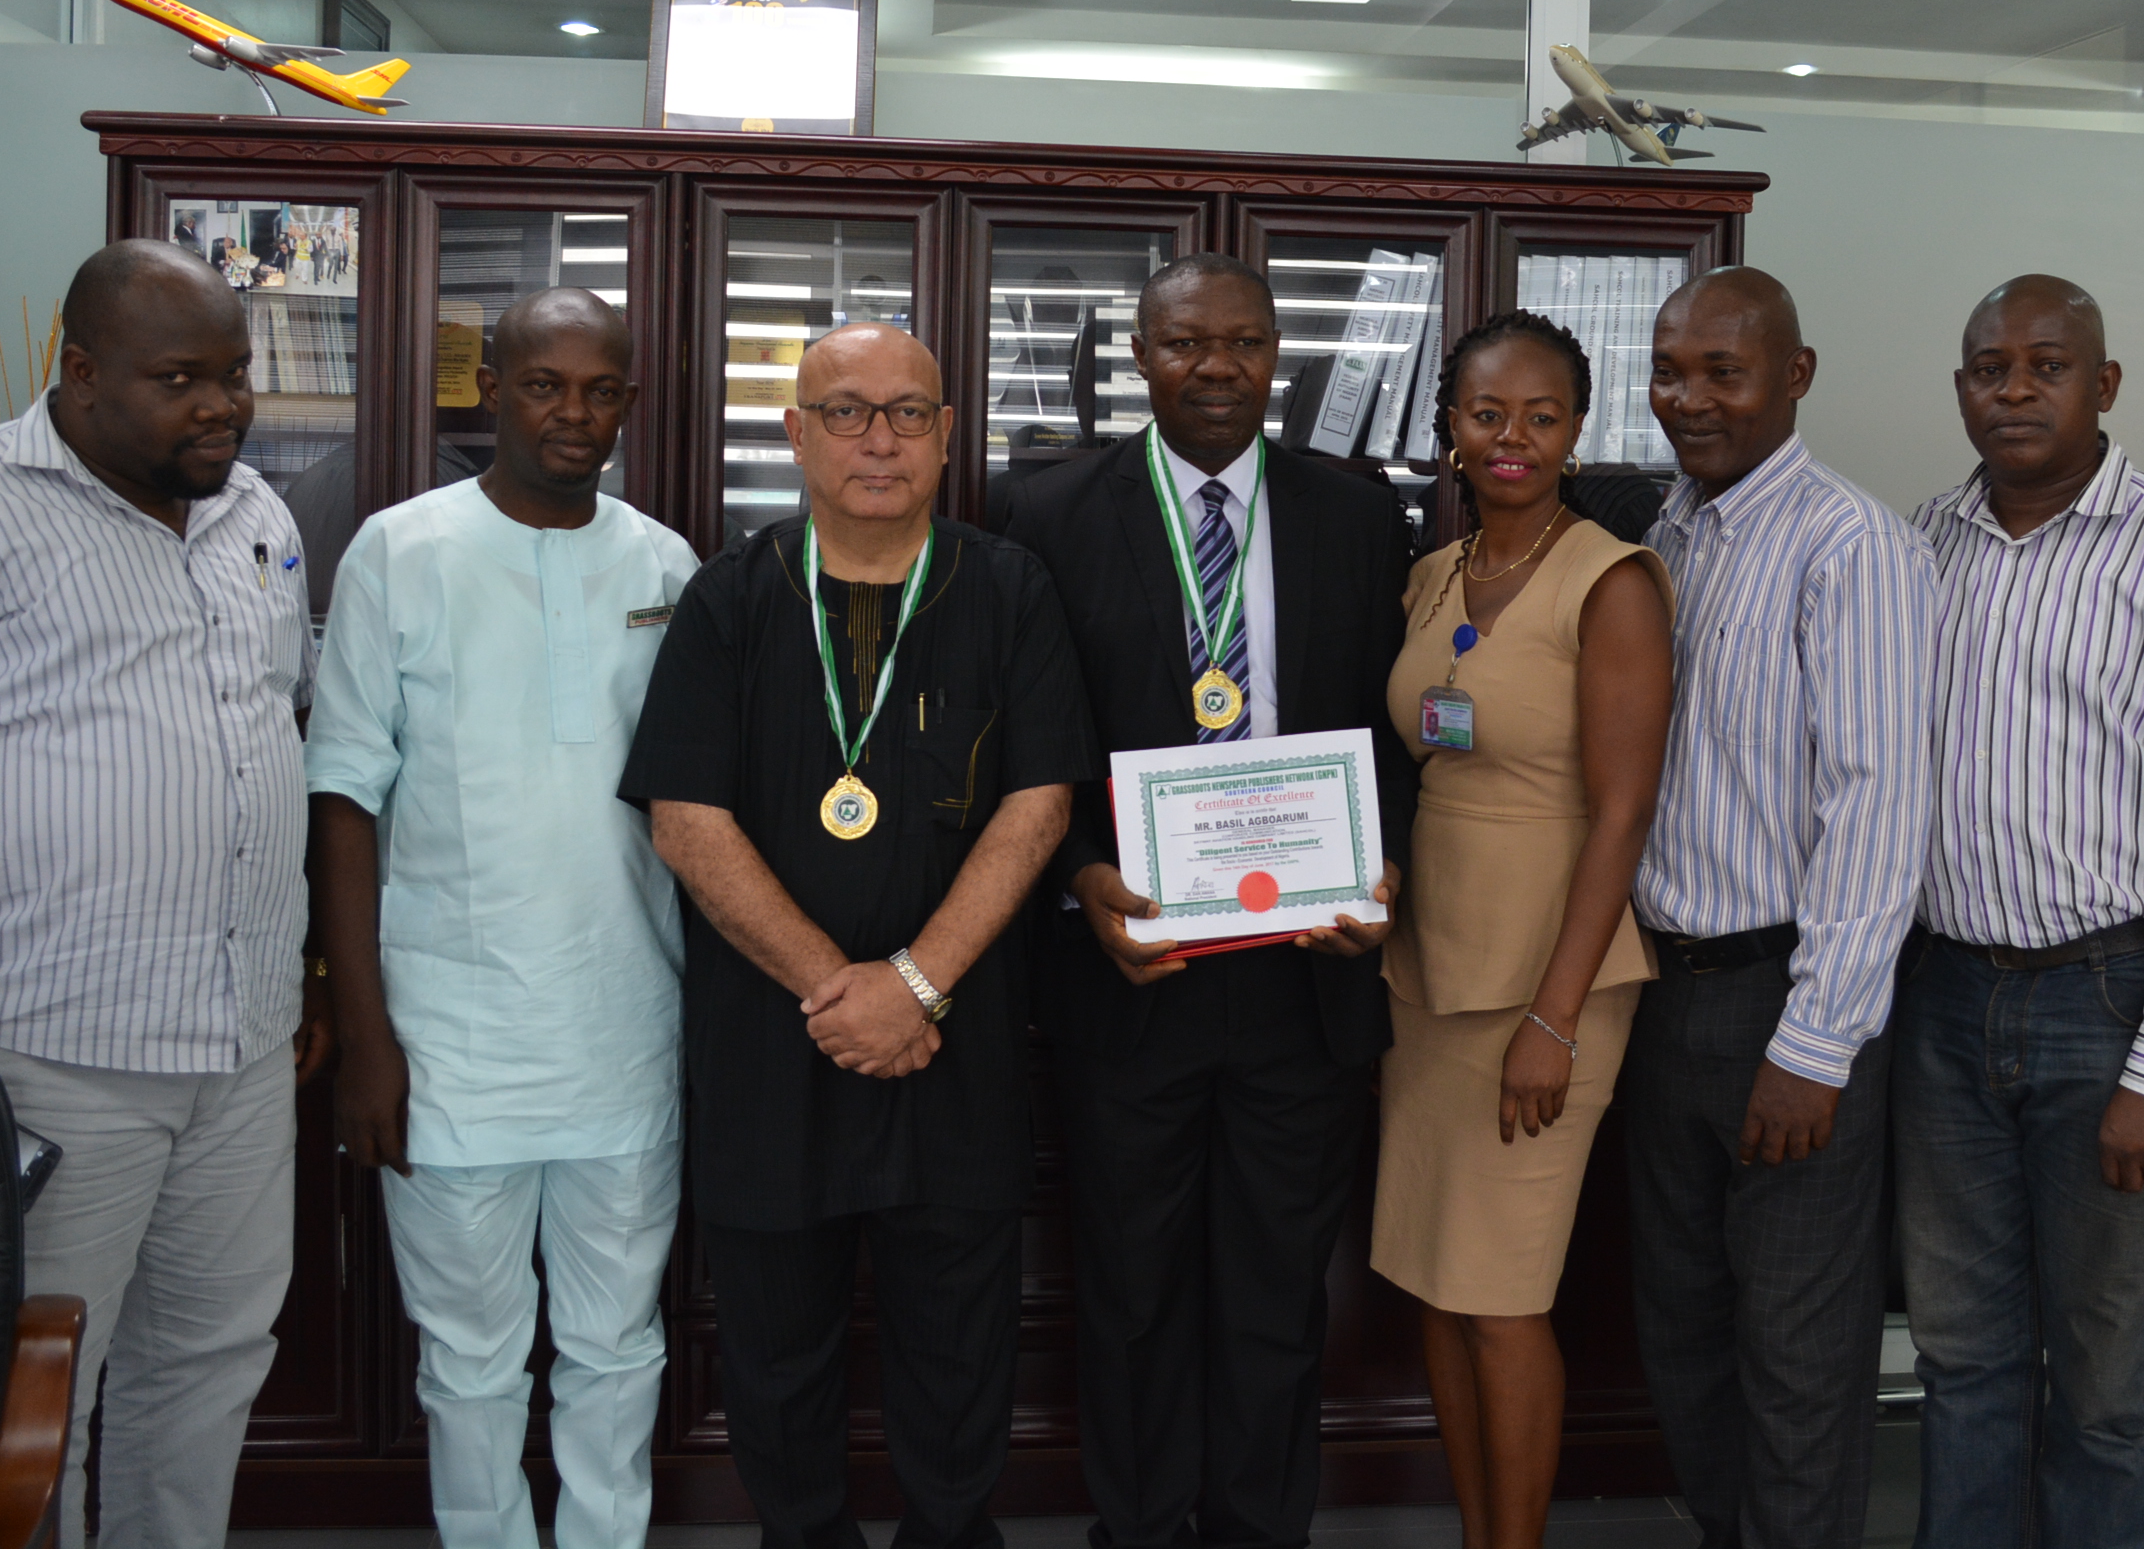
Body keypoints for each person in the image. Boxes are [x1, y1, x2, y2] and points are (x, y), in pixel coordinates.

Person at [0, 238, 327, 1549]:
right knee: (38, 1387)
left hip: (243, 1050)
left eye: (235, 376)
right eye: (179, 379)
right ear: (80, 372)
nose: (221, 405)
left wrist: (301, 970)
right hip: (48, 1055)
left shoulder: (256, 515)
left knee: (209, 1366)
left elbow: (273, 736)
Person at [618, 322, 1097, 1549]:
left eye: (908, 411)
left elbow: (1041, 804)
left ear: (948, 436)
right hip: (775, 1047)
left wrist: (920, 984)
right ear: (793, 432)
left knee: (959, 1347)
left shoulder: (1008, 588)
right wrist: (847, 990)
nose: (877, 437)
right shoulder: (729, 595)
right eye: (845, 410)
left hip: (958, 1049)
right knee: (776, 1359)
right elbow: (686, 819)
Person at [994, 251, 1417, 1549]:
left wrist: (1382, 865)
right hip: (1133, 971)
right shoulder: (1050, 513)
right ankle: (1136, 1529)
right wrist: (1078, 880)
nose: (1217, 367)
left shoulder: (1360, 517)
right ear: (1142, 356)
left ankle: (1257, 1530)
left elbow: (1391, 738)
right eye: (1187, 344)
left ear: (1277, 352)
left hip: (1307, 971)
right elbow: (1026, 731)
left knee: (1277, 1296)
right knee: (1129, 1296)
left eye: (1241, 341)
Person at [305, 289, 700, 1549]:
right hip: (447, 1038)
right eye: (543, 384)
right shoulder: (398, 550)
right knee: (469, 1357)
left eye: (598, 390)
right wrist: (366, 1036)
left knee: (617, 1341)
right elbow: (344, 797)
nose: (571, 413)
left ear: (629, 402)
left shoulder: (665, 563)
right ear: (491, 391)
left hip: (627, 1028)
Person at [1899, 275, 2144, 1548]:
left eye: (2044, 365)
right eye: (1985, 366)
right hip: (1944, 1000)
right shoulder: (1923, 542)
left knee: (2106, 1386)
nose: (2012, 389)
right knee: (1962, 1363)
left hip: (2108, 1002)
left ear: (2102, 385)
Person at [1624, 266, 1932, 1549]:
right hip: (1661, 991)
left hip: (1786, 1001)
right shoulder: (1666, 531)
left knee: (1799, 1353)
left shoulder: (1851, 545)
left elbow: (1878, 809)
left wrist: (1814, 1047)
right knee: (1683, 1331)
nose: (1689, 399)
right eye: (1670, 371)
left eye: (1724, 373)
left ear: (1795, 378)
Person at [1371, 311, 1673, 1549]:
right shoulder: (1435, 573)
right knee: (1437, 1291)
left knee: (1499, 1296)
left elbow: (1623, 813)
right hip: (1426, 977)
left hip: (1546, 988)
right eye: (1488, 412)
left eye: (1541, 415)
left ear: (1575, 430)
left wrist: (1553, 1015)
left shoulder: (1609, 578)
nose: (1512, 437)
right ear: (1449, 427)